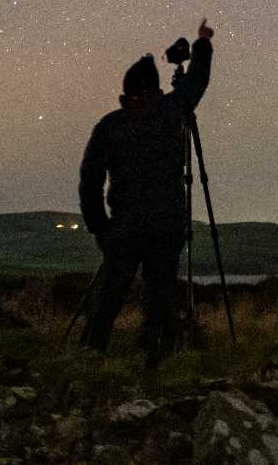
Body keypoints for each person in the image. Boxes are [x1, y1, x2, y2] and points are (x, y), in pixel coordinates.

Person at [76, 19, 214, 363]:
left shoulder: (110, 125)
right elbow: (197, 80)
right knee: (161, 296)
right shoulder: (173, 111)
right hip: (167, 225)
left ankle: (90, 354)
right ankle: (157, 357)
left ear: (126, 93)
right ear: (157, 89)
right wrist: (202, 44)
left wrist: (100, 228)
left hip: (125, 226)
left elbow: (89, 180)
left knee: (110, 294)